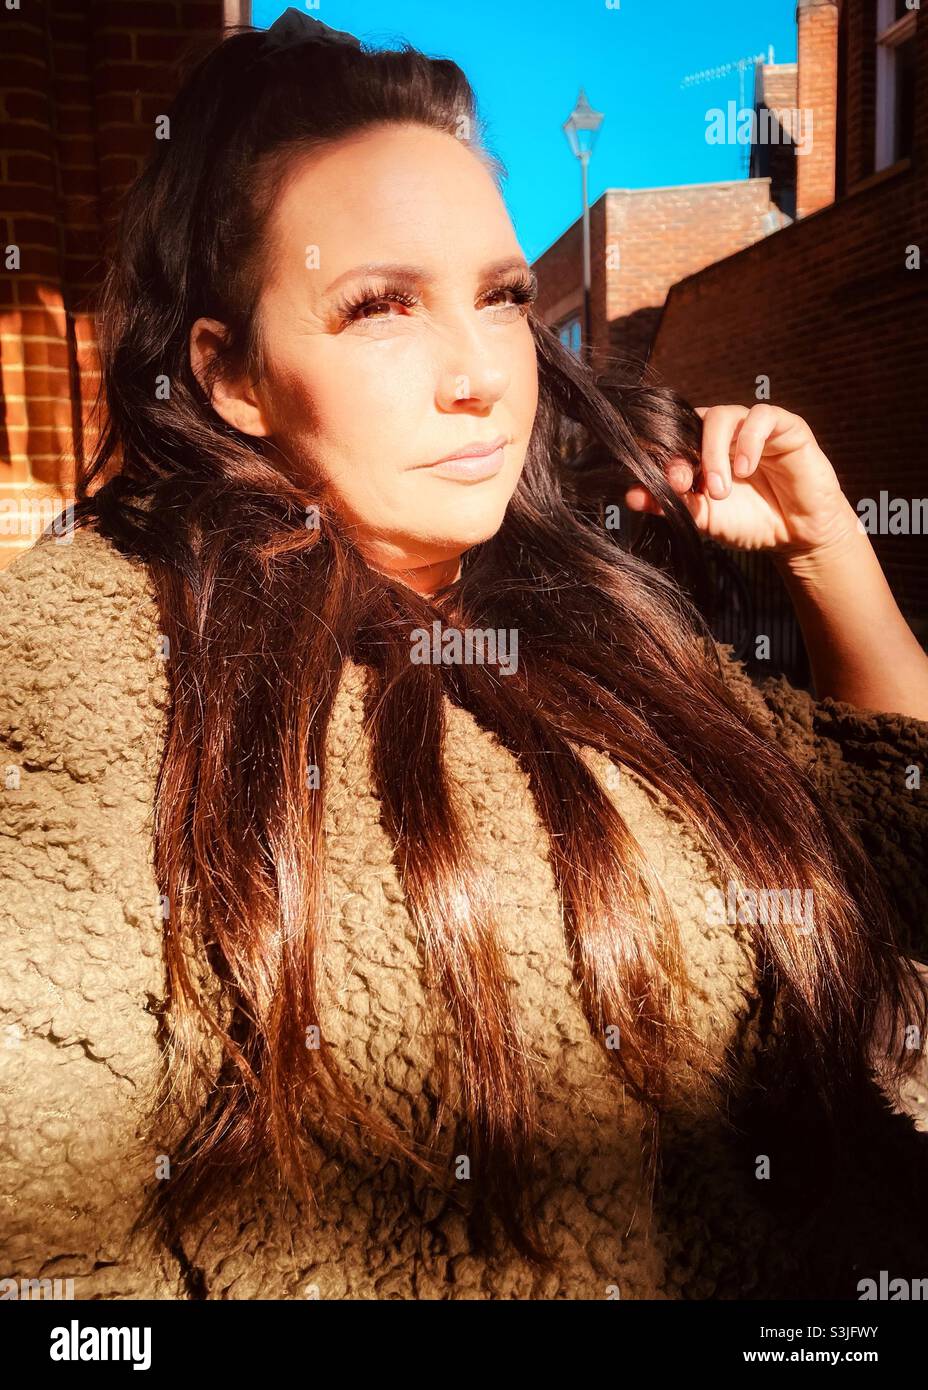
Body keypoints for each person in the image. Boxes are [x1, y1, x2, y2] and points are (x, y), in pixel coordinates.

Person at [1, 10, 927, 1301]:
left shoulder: (599, 621)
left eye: (500, 298)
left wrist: (833, 552)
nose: (481, 373)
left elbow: (895, 833)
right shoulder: (108, 677)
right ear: (233, 375)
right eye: (380, 305)